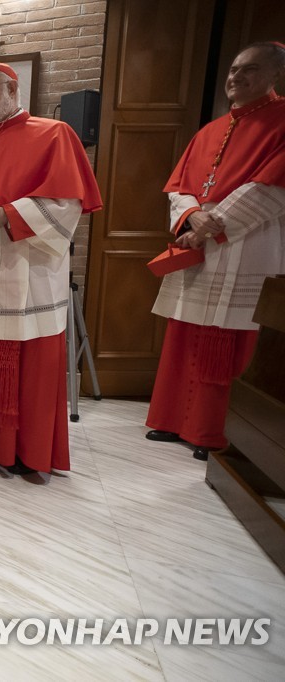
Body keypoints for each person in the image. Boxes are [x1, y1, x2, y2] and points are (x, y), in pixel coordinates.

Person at [0, 62, 103, 475]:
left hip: (27, 271)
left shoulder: (54, 134)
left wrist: (9, 215)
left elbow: (68, 204)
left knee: (32, 362)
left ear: (12, 88)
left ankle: (26, 451)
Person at [146, 42, 285, 461]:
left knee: (230, 337)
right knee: (187, 331)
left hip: (248, 241)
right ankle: (173, 420)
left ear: (275, 75)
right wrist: (191, 217)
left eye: (251, 70)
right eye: (234, 69)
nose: (236, 77)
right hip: (200, 236)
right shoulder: (209, 130)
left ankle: (214, 431)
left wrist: (210, 226)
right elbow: (178, 186)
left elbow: (270, 190)